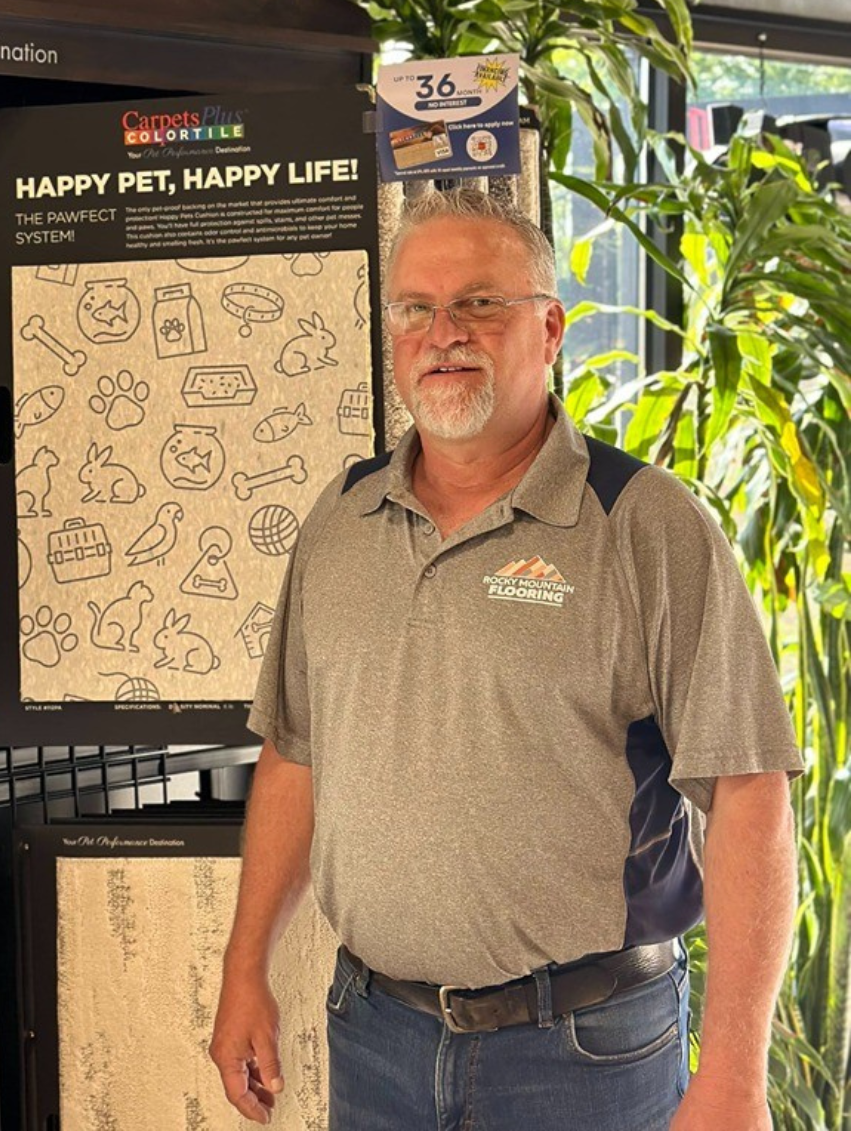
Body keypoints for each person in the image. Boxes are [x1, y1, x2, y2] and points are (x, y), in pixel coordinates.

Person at [209, 186, 802, 1131]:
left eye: (481, 302)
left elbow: (749, 794)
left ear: (551, 327)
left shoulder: (645, 525)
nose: (444, 332)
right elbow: (295, 753)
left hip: (583, 1053)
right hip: (374, 1037)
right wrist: (246, 971)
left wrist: (733, 1073)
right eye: (416, 308)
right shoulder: (341, 520)